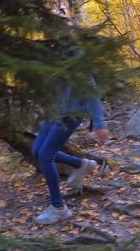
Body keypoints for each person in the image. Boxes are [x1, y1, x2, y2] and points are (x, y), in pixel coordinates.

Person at [32, 80, 108, 225]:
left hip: (70, 115)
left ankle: (58, 208)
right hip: (53, 112)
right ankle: (80, 164)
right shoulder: (51, 56)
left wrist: (100, 123)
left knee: (46, 155)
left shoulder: (75, 56)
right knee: (37, 151)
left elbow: (90, 89)